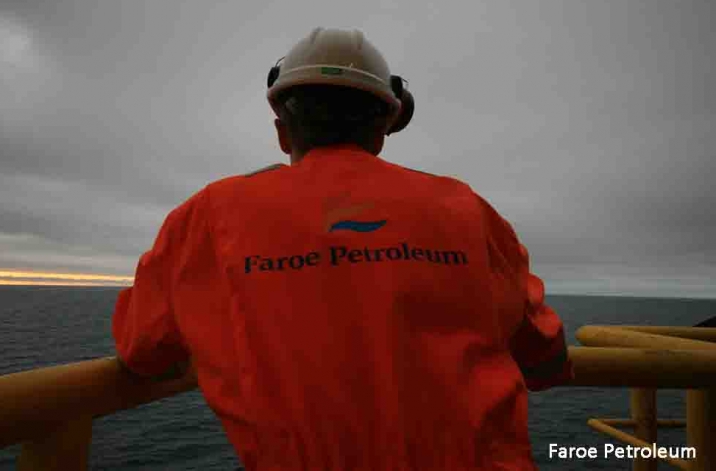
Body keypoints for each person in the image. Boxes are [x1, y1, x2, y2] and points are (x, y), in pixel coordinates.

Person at [112, 27, 574, 470]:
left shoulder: (210, 214)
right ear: (384, 127)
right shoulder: (465, 208)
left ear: (283, 131)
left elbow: (144, 352)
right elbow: (543, 354)